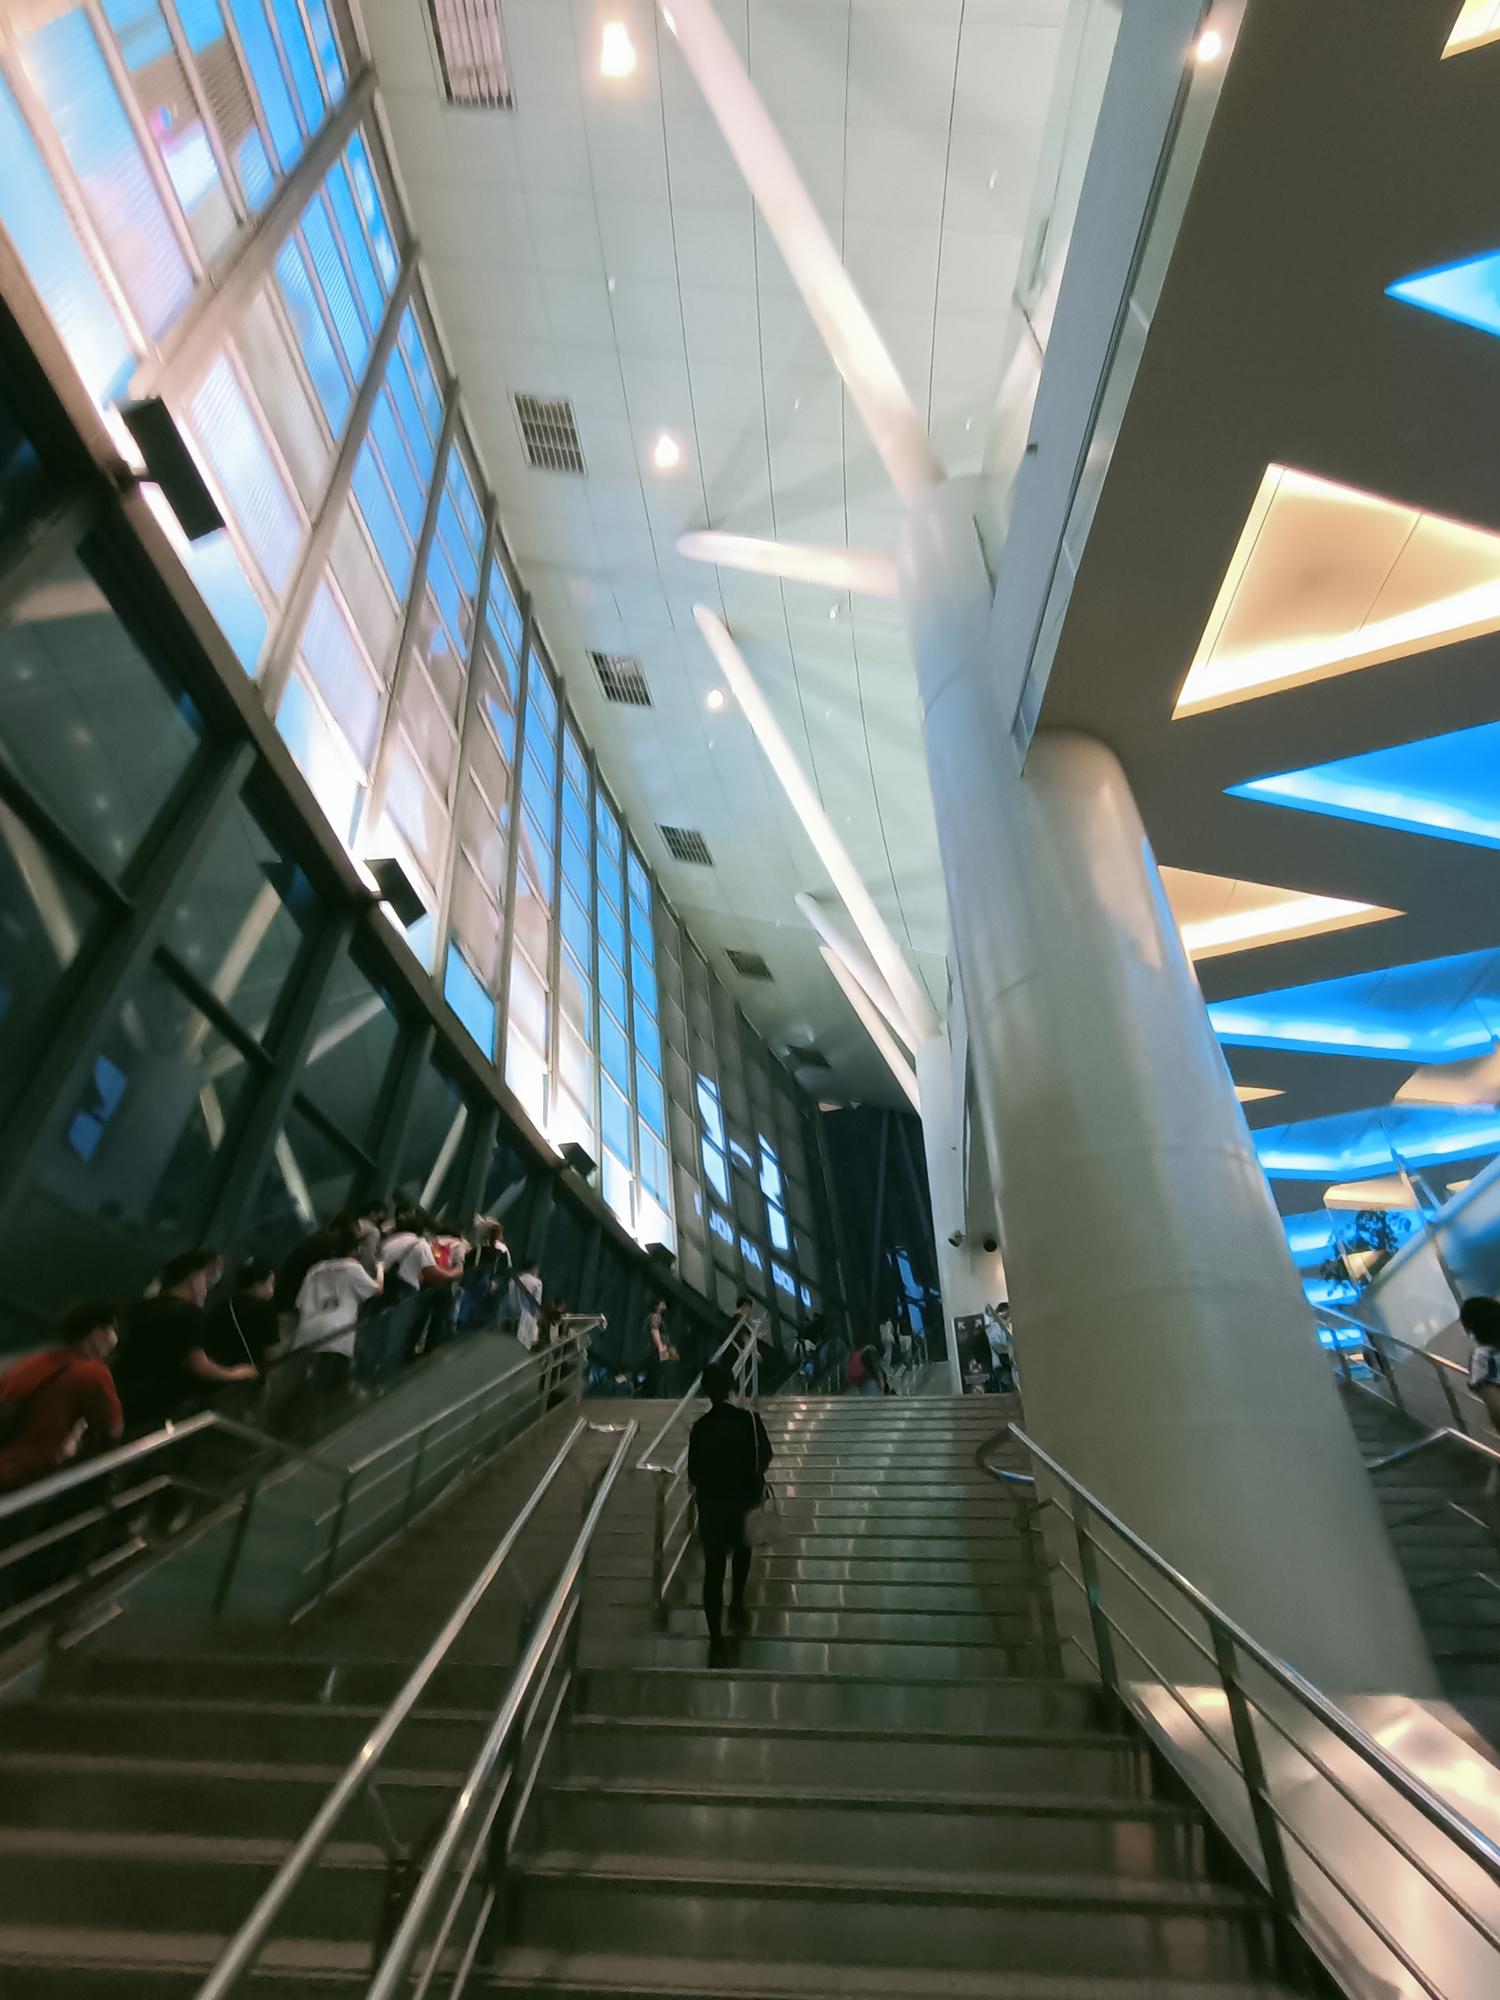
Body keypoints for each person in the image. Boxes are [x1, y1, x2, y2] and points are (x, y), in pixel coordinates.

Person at [687, 1357, 773, 1665]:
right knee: (742, 1552)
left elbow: (693, 1473)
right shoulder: (749, 1421)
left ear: (707, 1392)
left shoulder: (700, 1428)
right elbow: (766, 1456)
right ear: (731, 1387)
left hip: (712, 1508)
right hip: (744, 1502)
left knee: (713, 1570)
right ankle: (737, 1603)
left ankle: (716, 1639)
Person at [115, 1249, 257, 1434]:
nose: (207, 1289)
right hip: (157, 1399)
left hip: (122, 1388)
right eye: (206, 1280)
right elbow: (199, 1365)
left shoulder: (142, 1306)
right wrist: (235, 1374)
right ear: (193, 1279)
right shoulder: (191, 1314)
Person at [0, 1301, 124, 1492]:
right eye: (112, 1330)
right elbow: (112, 1430)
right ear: (97, 1332)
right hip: (29, 1476)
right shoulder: (93, 1372)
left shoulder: (32, 1361)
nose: (114, 1339)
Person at [295, 1223, 384, 1396]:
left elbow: (300, 1302)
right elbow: (377, 1289)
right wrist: (380, 1268)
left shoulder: (316, 1268)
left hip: (309, 1328)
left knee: (312, 1377)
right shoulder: (352, 1267)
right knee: (330, 1378)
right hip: (338, 1331)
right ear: (354, 1250)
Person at [204, 1258, 280, 1380]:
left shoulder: (221, 1307)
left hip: (218, 1376)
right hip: (249, 1376)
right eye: (271, 1283)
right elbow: (271, 1354)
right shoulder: (265, 1310)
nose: (272, 1290)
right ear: (258, 1284)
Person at [514, 1260, 544, 1351]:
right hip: (530, 1310)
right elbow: (537, 1299)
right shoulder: (537, 1282)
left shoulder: (519, 1278)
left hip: (518, 1308)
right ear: (533, 1268)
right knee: (529, 1332)